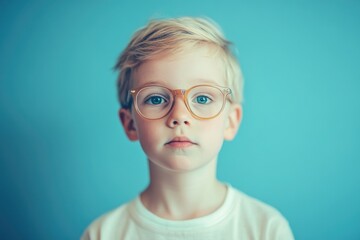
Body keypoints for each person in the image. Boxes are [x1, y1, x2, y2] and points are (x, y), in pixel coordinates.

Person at [81, 16, 294, 240]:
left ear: (231, 121)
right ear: (130, 123)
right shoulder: (103, 234)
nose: (180, 116)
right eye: (155, 99)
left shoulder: (266, 229)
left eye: (202, 98)